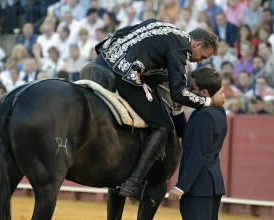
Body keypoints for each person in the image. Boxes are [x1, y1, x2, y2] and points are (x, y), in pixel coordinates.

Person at [94, 18, 225, 198]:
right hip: (123, 74)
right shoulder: (181, 50)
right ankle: (133, 182)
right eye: (202, 57)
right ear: (197, 44)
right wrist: (210, 102)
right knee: (163, 125)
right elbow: (177, 94)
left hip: (102, 59)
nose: (197, 62)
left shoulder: (166, 27)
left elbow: (124, 32)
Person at [168, 67, 227, 220]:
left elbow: (198, 153)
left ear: (204, 93)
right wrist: (178, 108)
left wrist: (181, 186)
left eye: (192, 88)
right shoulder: (216, 112)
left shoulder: (204, 115)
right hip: (208, 186)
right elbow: (185, 134)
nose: (188, 91)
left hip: (199, 187)